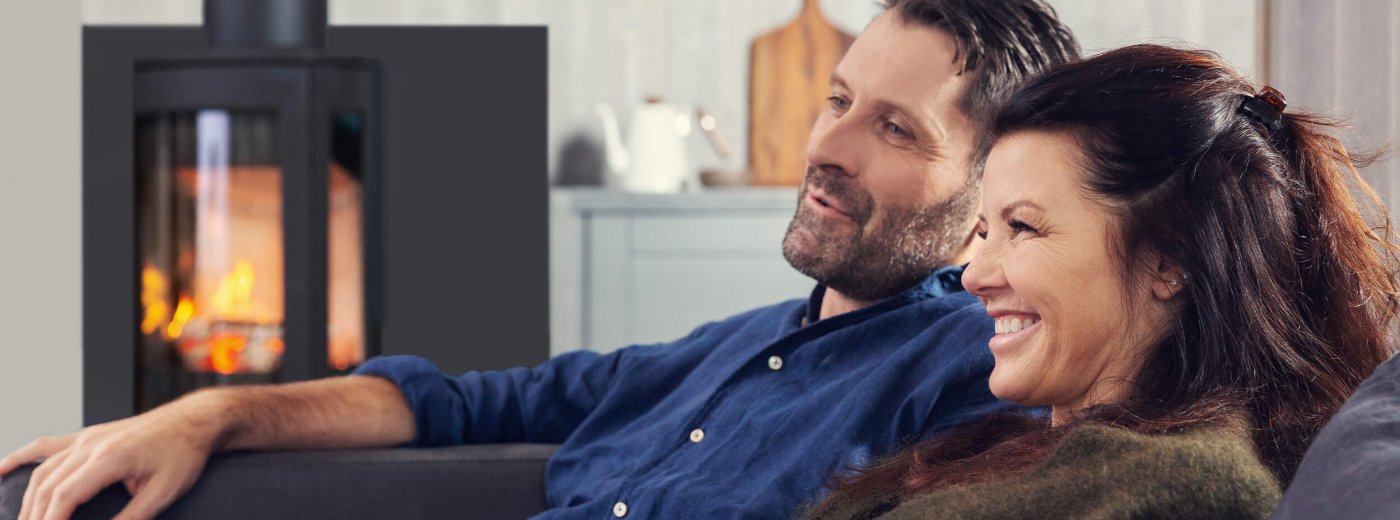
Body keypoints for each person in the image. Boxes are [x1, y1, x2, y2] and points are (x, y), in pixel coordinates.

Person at [0, 2, 1079, 519]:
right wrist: (206, 415)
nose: (825, 150)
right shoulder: (728, 351)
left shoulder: (969, 368)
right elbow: (454, 404)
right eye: (837, 101)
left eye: (894, 130)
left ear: (993, 185)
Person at [801, 43, 1400, 519]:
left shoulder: (1176, 489)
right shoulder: (1025, 448)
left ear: (1172, 261)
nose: (974, 275)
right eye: (984, 232)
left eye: (1024, 228)